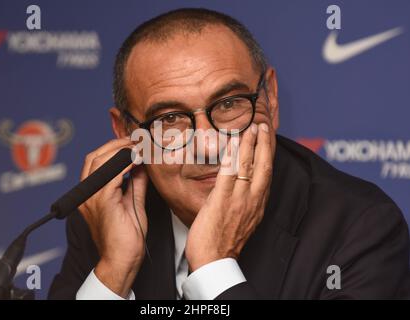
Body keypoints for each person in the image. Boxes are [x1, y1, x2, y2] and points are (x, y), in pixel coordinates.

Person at [48, 8, 410, 300]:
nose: (208, 146)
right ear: (128, 134)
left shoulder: (361, 228)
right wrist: (114, 273)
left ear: (269, 97)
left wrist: (212, 268)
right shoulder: (108, 217)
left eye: (229, 104)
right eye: (170, 119)